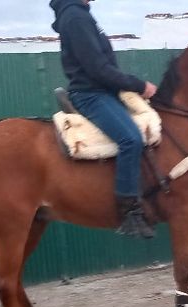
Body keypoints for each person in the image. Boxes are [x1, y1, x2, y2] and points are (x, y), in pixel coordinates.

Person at [51, 0, 159, 238]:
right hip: (92, 95)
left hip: (103, 92)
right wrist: (139, 85)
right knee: (131, 138)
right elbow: (98, 69)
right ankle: (128, 211)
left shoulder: (79, 15)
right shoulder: (76, 17)